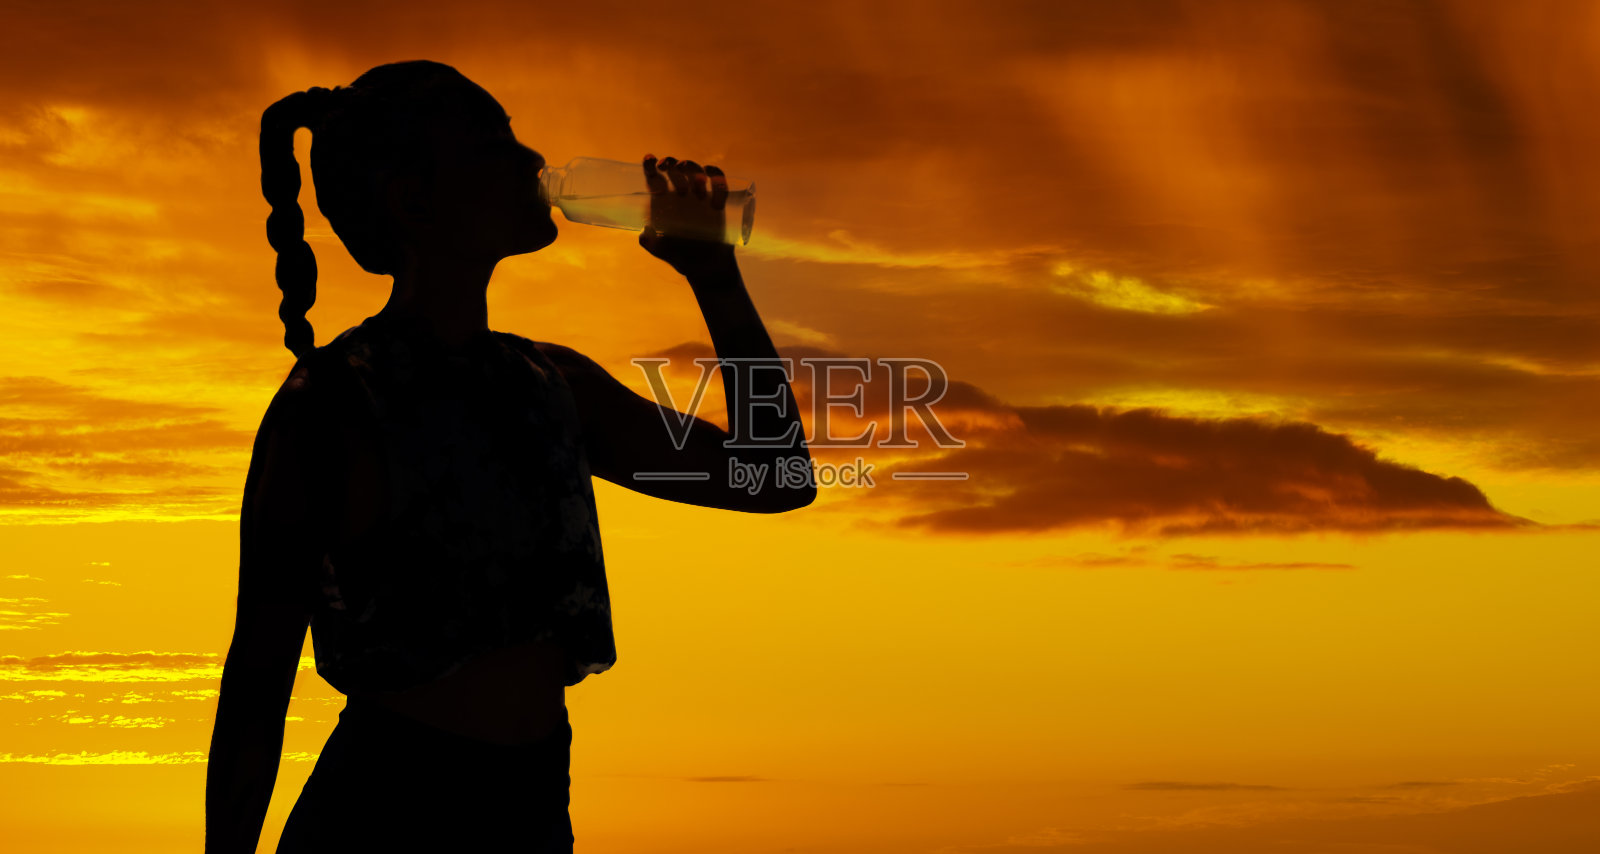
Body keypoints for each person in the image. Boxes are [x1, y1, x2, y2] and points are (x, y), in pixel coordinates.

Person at [205, 60, 814, 854]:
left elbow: (773, 477)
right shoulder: (333, 406)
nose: (530, 161)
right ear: (413, 200)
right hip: (384, 814)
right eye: (491, 144)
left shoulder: (550, 383)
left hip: (529, 808)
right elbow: (258, 679)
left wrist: (714, 275)